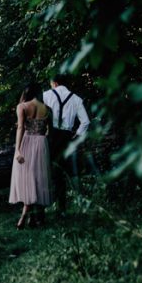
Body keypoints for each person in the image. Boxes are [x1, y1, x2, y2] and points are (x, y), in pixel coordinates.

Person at [8, 80, 53, 229]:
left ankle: (24, 217)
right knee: (39, 179)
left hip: (26, 142)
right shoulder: (47, 109)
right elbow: (49, 131)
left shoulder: (22, 106)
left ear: (26, 92)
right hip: (41, 143)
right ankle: (33, 217)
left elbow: (20, 127)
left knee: (27, 178)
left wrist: (18, 150)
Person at [43, 75, 90, 212]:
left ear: (55, 83)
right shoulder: (76, 99)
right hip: (66, 136)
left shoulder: (46, 95)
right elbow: (85, 121)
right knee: (64, 172)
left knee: (46, 170)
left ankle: (47, 204)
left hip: (50, 135)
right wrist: (77, 135)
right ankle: (64, 207)